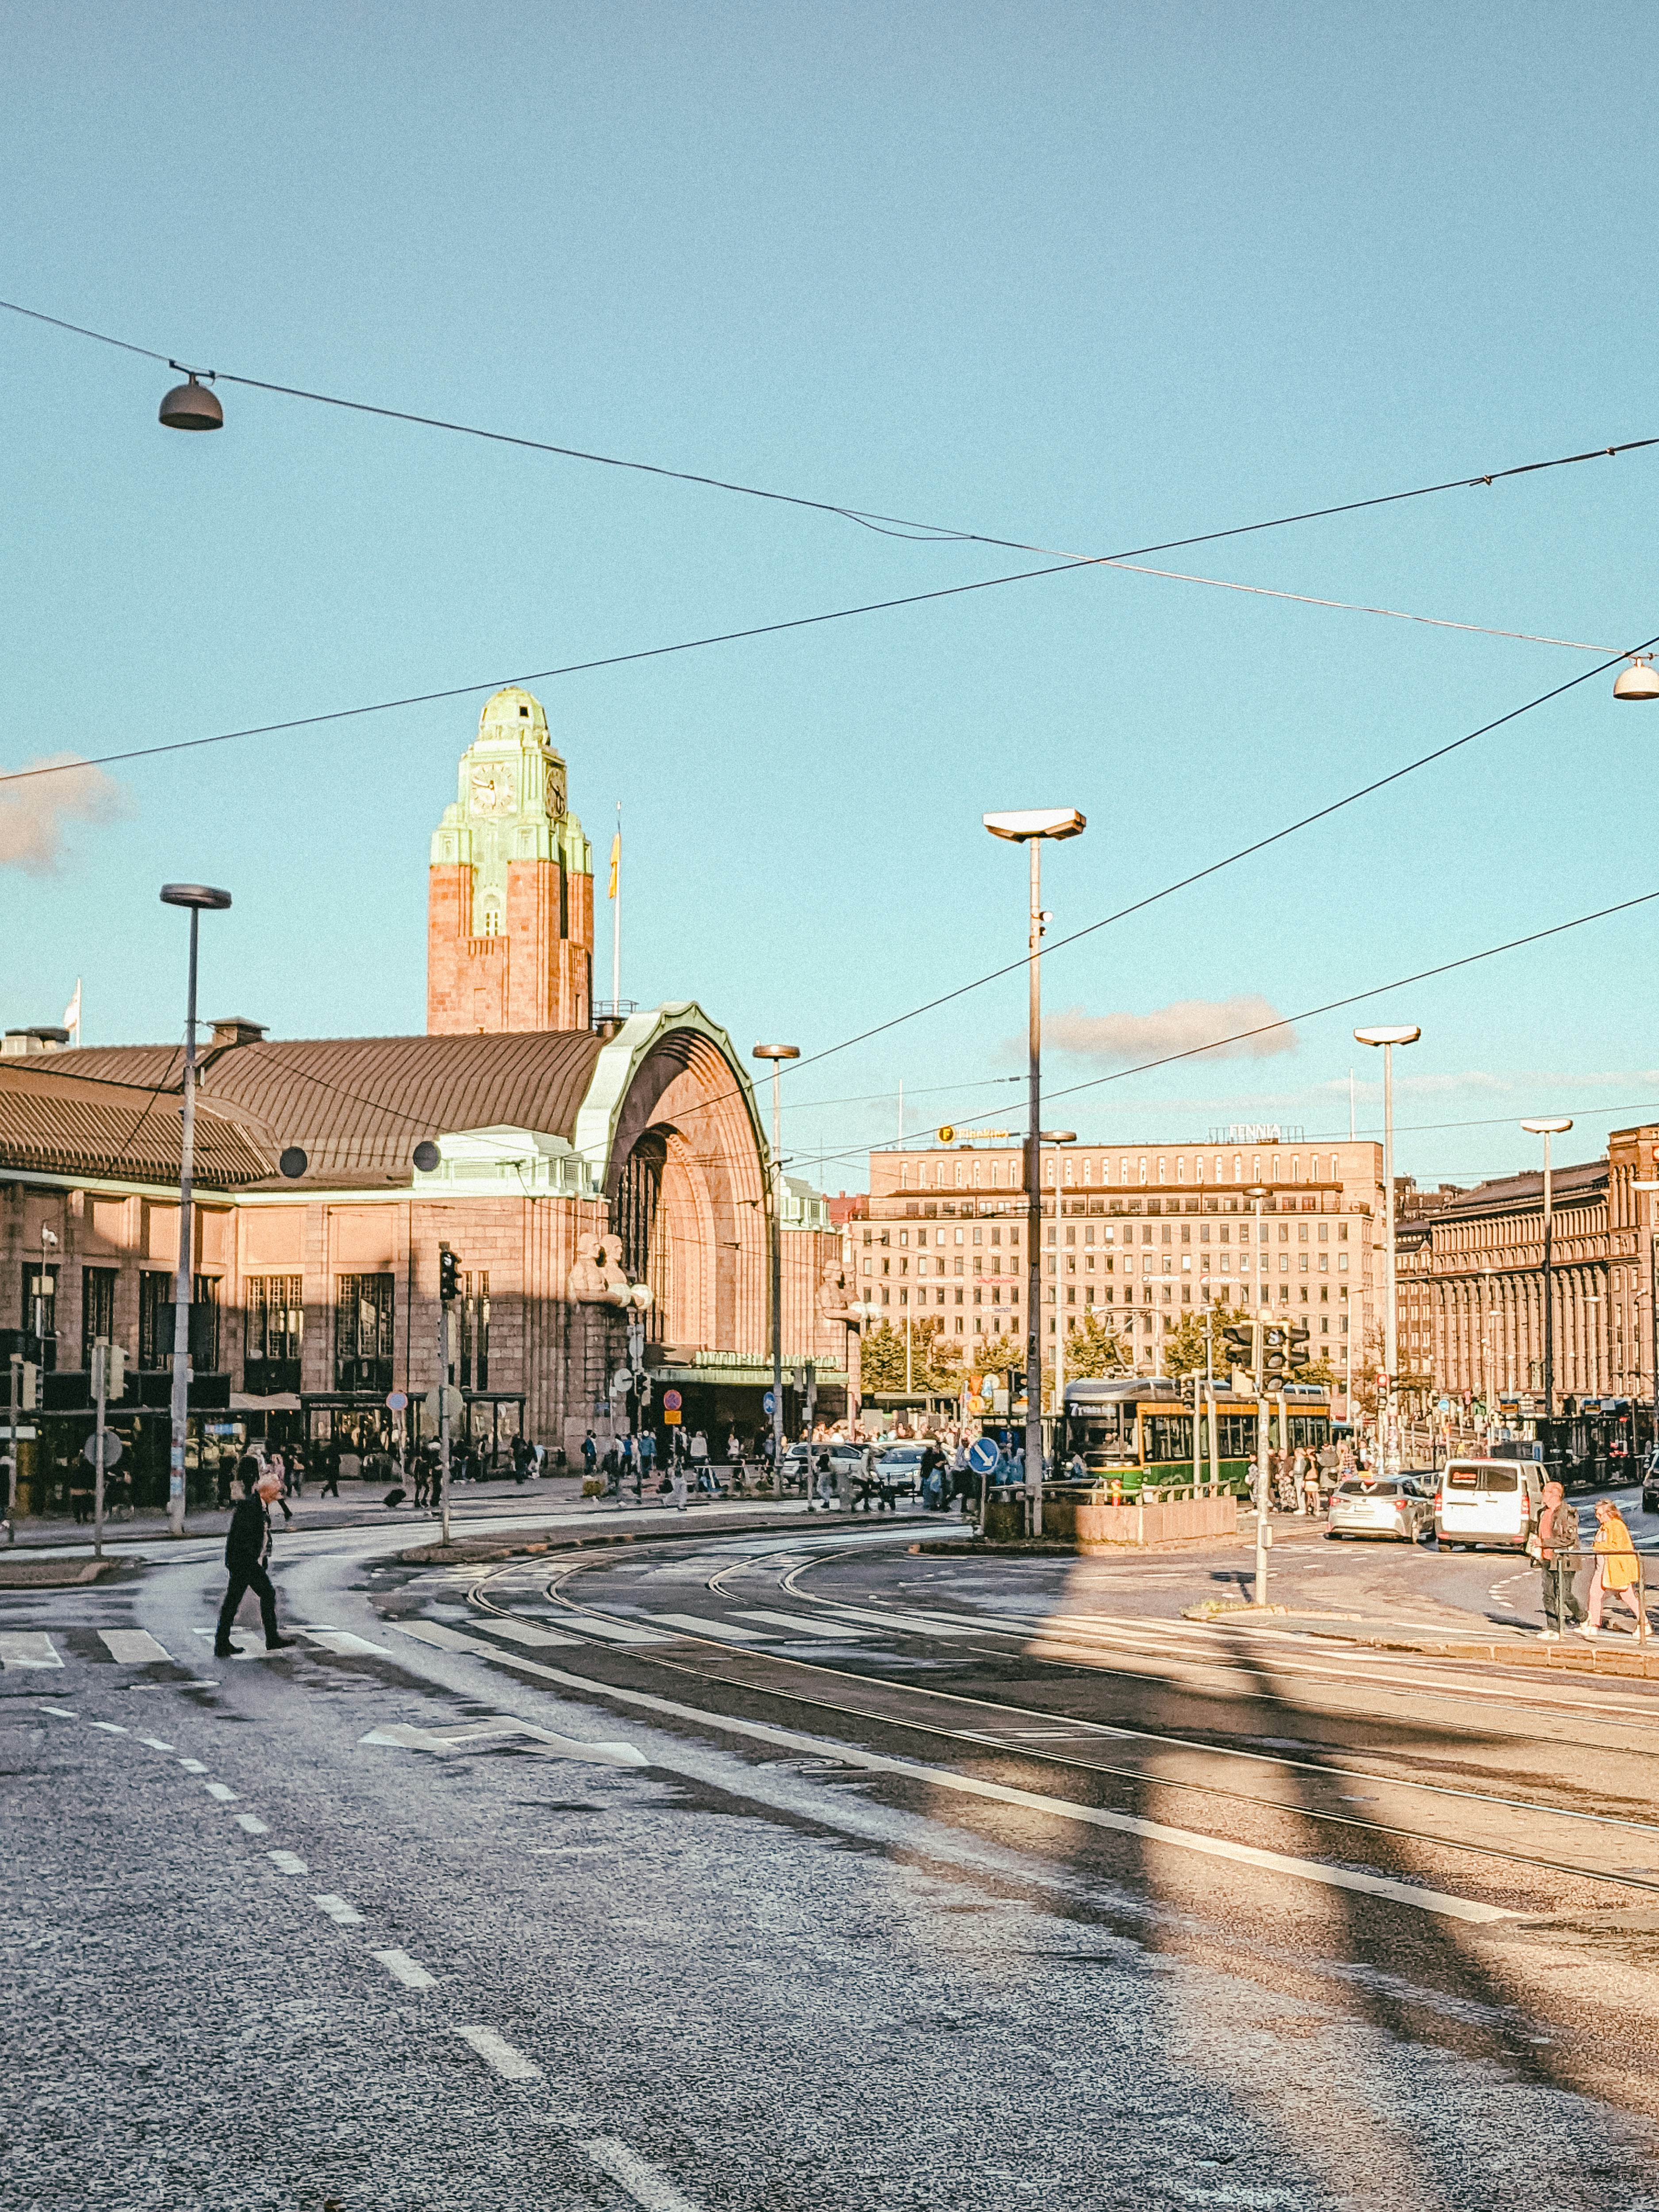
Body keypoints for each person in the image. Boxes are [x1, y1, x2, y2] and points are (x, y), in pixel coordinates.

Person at [214, 1463, 296, 1658]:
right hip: (244, 1562)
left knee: (233, 1602)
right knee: (266, 1594)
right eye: (275, 1493)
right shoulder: (250, 1506)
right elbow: (241, 1537)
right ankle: (271, 1638)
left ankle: (222, 1642)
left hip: (247, 1562)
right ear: (266, 1491)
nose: (277, 1497)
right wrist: (250, 1561)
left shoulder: (260, 1505)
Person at [1581, 1496, 1650, 1640]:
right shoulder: (1605, 1526)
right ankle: (1594, 1625)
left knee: (1628, 1596)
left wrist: (1598, 1547)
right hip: (1604, 1567)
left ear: (1609, 1513)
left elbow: (1617, 1547)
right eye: (1597, 1514)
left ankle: (1645, 1623)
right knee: (1595, 1594)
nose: (1597, 1517)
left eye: (1600, 1514)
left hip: (1616, 1567)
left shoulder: (1616, 1526)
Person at [1536, 1481, 1583, 1640]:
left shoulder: (1568, 1512)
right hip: (1547, 1558)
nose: (1543, 1495)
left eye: (1545, 1492)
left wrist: (1545, 1543)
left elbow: (1569, 1539)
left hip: (1565, 1559)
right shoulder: (1543, 1513)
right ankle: (1553, 1628)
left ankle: (1582, 1617)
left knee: (1564, 1594)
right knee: (1549, 1594)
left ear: (1555, 1494)